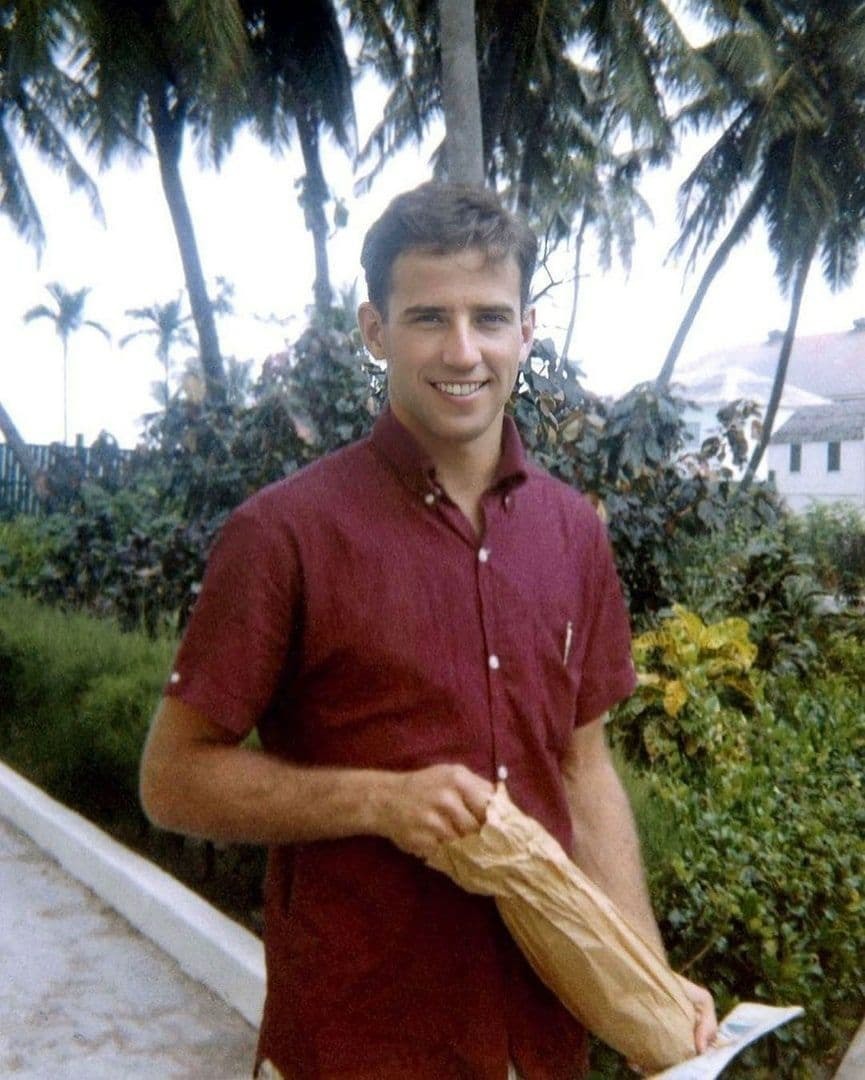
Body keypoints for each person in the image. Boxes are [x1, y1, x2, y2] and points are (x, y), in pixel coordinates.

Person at [140, 182, 717, 1080]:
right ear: (375, 331)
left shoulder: (573, 532)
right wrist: (381, 801)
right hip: (359, 1038)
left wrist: (643, 975)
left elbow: (583, 768)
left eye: (490, 317)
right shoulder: (283, 533)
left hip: (538, 1036)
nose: (462, 350)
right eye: (427, 318)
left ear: (526, 330)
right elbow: (173, 780)